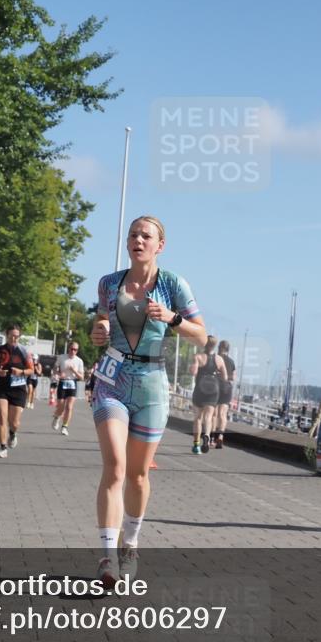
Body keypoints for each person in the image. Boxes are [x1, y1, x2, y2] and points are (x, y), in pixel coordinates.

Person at [90, 216, 206, 587]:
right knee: (115, 466)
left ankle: (131, 542)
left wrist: (173, 319)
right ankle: (107, 557)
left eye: (146, 235)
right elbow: (102, 320)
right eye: (133, 235)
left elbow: (201, 337)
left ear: (160, 245)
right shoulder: (110, 283)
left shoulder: (172, 284)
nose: (138, 240)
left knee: (138, 476)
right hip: (113, 379)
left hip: (152, 385)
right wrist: (100, 330)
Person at [0, 326, 34, 458]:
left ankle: (13, 433)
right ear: (7, 334)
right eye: (11, 336)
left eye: (16, 336)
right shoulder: (0, 350)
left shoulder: (24, 351)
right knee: (2, 417)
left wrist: (21, 372)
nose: (14, 338)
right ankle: (2, 447)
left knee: (14, 423)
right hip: (2, 386)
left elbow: (31, 370)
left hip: (19, 388)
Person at [190, 336, 227, 454]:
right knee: (208, 417)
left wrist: (194, 367)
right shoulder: (219, 359)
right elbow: (225, 377)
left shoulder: (198, 357)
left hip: (200, 388)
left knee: (198, 417)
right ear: (214, 346)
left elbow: (193, 372)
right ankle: (206, 435)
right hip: (213, 389)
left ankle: (196, 445)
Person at [52, 341, 85, 436]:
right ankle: (57, 417)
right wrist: (58, 374)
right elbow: (55, 368)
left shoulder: (79, 361)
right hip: (63, 383)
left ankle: (65, 426)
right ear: (68, 349)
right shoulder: (62, 357)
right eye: (72, 349)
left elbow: (82, 377)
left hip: (72, 383)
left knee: (69, 407)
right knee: (61, 407)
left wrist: (74, 370)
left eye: (75, 350)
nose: (73, 351)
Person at [213, 340, 236, 449]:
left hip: (215, 387)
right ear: (228, 349)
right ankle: (220, 436)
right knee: (223, 414)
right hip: (227, 388)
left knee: (214, 414)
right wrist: (226, 376)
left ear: (219, 348)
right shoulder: (231, 362)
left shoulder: (215, 359)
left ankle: (212, 438)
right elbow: (233, 378)